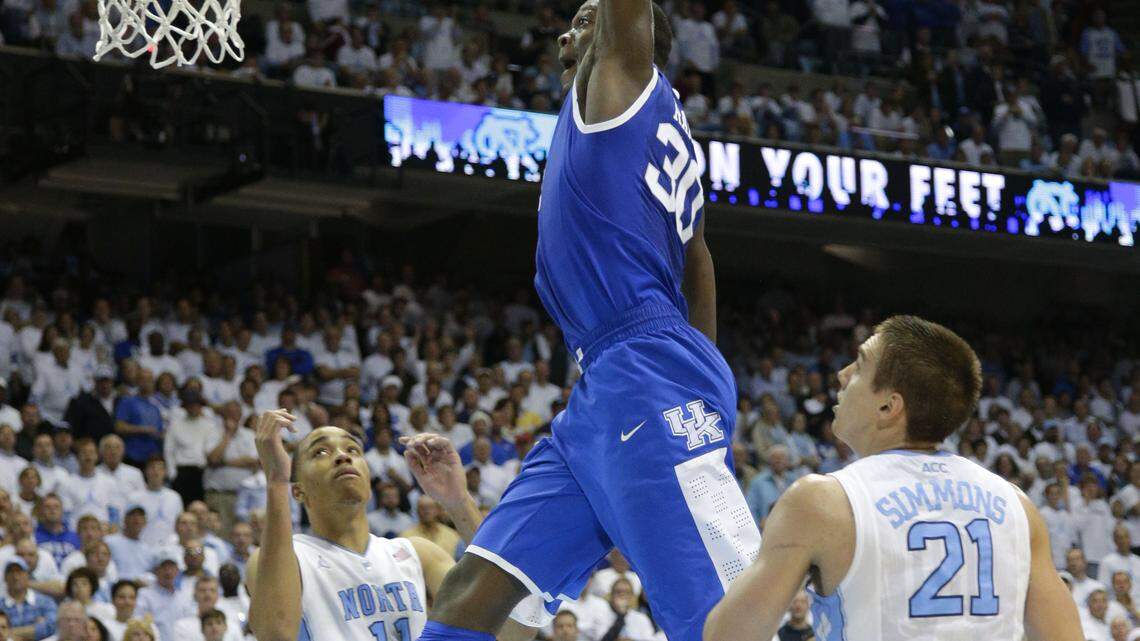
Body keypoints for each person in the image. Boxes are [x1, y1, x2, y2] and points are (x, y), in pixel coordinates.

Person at [414, 3, 760, 641]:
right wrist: (703, 380)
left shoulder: (624, 80)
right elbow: (697, 258)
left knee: (724, 621)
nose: (569, 33)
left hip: (645, 368)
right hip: (615, 380)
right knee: (471, 590)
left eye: (588, 17)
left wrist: (685, 387)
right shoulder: (650, 125)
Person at [704, 316, 1083, 641]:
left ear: (888, 406)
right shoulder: (1018, 507)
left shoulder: (822, 502)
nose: (842, 374)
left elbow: (728, 636)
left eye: (860, 365)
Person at [243, 411, 534, 641]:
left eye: (353, 449)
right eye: (320, 452)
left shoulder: (417, 554)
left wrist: (458, 502)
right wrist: (276, 482)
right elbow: (276, 633)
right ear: (299, 491)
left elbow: (515, 630)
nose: (343, 456)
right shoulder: (284, 558)